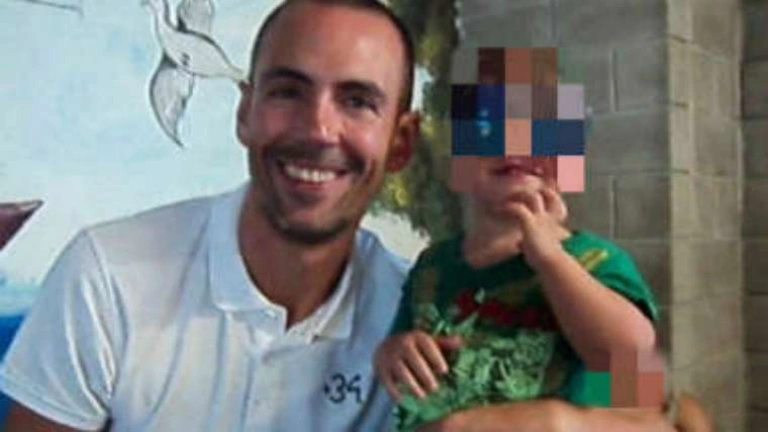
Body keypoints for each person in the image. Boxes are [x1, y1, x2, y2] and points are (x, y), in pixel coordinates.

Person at [0, 1, 681, 431]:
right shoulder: (108, 274)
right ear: (245, 112)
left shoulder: (415, 292)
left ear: (401, 144)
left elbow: (666, 407)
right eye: (288, 91)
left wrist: (560, 422)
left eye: (357, 101)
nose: (318, 129)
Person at [374, 155, 660, 430]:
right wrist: (392, 351)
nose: (516, 146)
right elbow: (399, 346)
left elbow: (630, 356)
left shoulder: (594, 260)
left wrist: (550, 259)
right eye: (491, 133)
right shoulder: (432, 264)